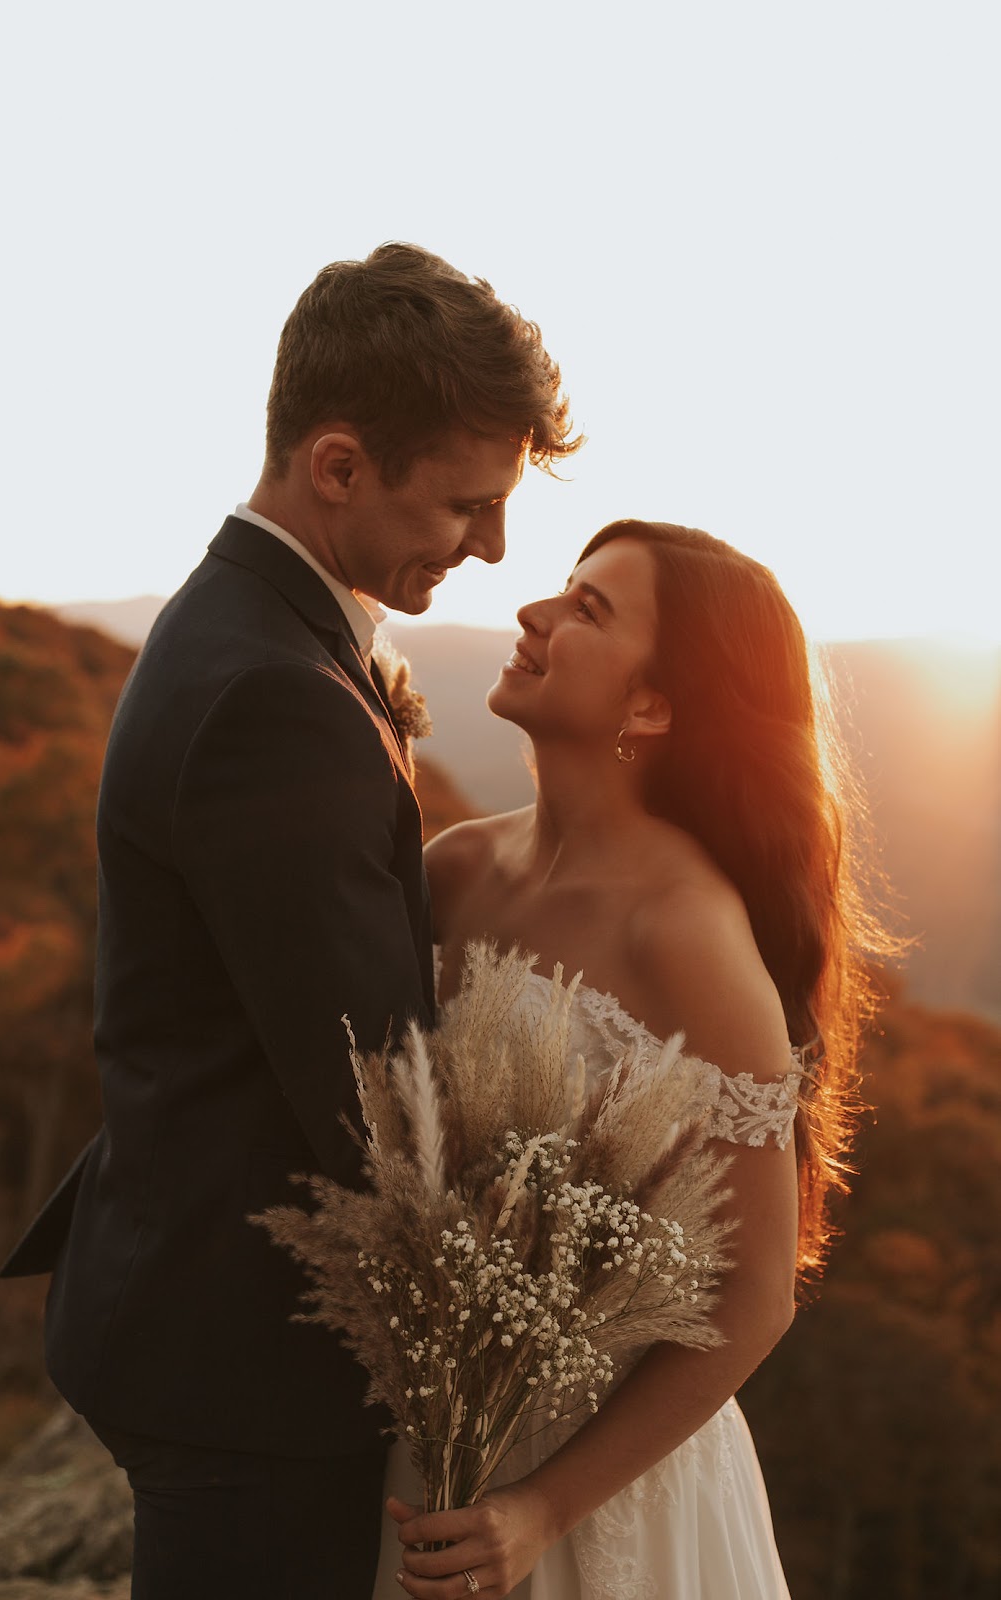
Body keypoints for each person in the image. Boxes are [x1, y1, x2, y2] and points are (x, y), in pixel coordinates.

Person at [0, 242, 580, 1600]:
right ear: (336, 467)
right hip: (246, 1360)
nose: (490, 546)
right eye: (466, 504)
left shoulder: (251, 632)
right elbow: (378, 1099)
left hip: (200, 1306)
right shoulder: (273, 697)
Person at [374, 520, 885, 1600]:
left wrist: (538, 1507)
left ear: (650, 707)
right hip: (425, 1453)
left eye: (587, 610)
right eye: (560, 592)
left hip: (599, 1498)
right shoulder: (453, 868)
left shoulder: (686, 930)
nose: (532, 614)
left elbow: (753, 1295)